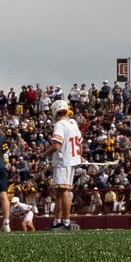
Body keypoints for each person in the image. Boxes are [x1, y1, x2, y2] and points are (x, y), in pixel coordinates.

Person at [48, 97, 83, 229]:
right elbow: (79, 142)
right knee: (58, 191)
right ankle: (57, 221)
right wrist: (80, 156)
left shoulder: (60, 125)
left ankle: (66, 221)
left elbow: (57, 145)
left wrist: (44, 154)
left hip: (63, 161)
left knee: (62, 192)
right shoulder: (73, 123)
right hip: (71, 160)